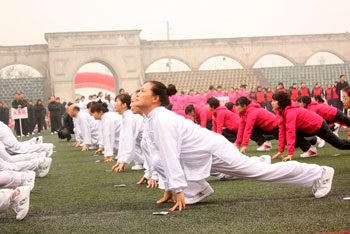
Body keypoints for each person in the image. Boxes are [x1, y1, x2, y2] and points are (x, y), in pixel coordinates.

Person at [130, 81, 334, 211]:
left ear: (155, 98)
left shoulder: (162, 119)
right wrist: (168, 188)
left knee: (260, 173)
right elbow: (159, 157)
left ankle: (321, 173)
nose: (137, 95)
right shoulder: (152, 118)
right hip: (201, 155)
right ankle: (199, 190)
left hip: (213, 150)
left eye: (142, 91)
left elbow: (169, 155)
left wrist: (178, 189)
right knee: (157, 159)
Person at [272, 92, 350, 161]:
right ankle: (310, 150)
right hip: (308, 129)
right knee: (287, 132)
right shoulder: (281, 112)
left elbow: (290, 132)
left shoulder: (290, 112)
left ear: (281, 102)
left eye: (274, 101)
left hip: (319, 126)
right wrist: (280, 150)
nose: (272, 103)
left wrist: (290, 153)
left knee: (340, 145)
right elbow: (282, 132)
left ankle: (312, 145)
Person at [111, 94, 144, 171]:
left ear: (124, 105)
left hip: (148, 147)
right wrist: (120, 159)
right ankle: (141, 162)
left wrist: (123, 161)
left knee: (132, 142)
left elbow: (129, 139)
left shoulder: (130, 116)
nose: (114, 104)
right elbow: (123, 139)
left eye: (116, 101)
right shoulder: (126, 116)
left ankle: (142, 162)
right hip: (142, 145)